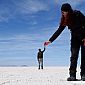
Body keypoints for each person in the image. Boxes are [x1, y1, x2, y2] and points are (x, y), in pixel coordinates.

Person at [44, 3, 85, 81]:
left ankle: (84, 74)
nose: (62, 13)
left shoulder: (77, 14)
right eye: (61, 12)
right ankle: (72, 75)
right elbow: (59, 30)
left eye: (64, 12)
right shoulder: (64, 19)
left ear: (68, 11)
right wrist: (50, 40)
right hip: (75, 38)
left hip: (83, 37)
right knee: (74, 56)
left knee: (84, 57)